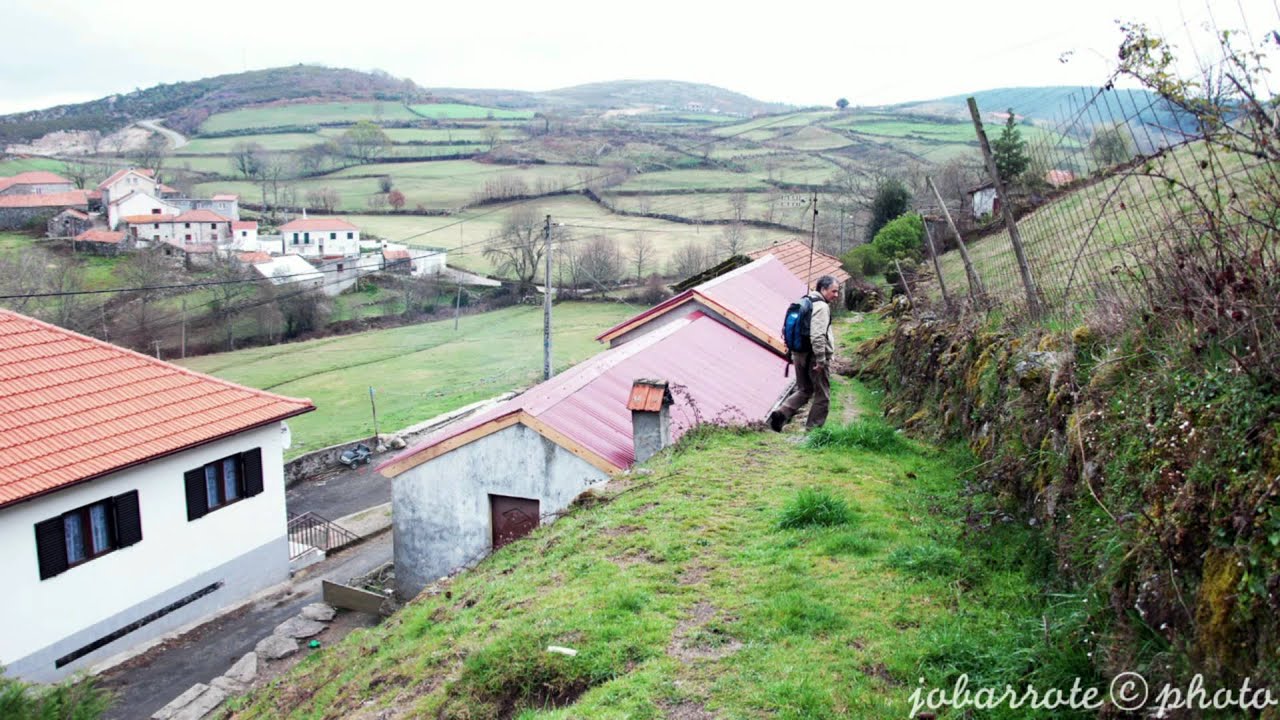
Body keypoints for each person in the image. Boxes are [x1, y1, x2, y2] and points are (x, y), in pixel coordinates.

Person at [770, 275, 839, 431]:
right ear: (823, 289)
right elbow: (817, 335)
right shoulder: (821, 307)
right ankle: (813, 431)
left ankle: (781, 413)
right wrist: (821, 360)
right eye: (834, 291)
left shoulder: (805, 300)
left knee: (804, 390)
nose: (836, 295)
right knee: (822, 395)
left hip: (798, 353)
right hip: (814, 356)